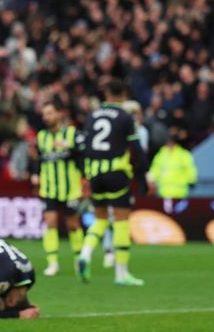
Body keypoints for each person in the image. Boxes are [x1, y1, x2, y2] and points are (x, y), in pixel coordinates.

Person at [77, 79, 153, 286]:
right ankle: (121, 273)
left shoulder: (92, 116)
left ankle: (85, 253)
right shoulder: (125, 116)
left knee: (100, 219)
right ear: (123, 95)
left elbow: (83, 148)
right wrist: (143, 176)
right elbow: (137, 149)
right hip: (116, 173)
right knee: (121, 222)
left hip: (96, 174)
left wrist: (85, 174)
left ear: (106, 94)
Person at [29, 100, 85, 276]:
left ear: (59, 114)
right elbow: (38, 159)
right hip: (49, 188)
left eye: (50, 113)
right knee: (50, 222)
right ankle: (52, 263)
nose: (46, 117)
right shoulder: (41, 137)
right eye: (44, 114)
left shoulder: (72, 134)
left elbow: (85, 155)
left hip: (71, 189)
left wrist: (71, 148)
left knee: (73, 225)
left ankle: (79, 261)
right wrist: (35, 174)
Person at [149, 131, 197, 199]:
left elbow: (190, 169)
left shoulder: (183, 154)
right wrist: (151, 179)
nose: (170, 144)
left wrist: (192, 180)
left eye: (171, 142)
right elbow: (155, 169)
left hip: (180, 192)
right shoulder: (160, 155)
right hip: (164, 192)